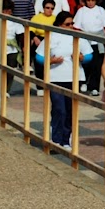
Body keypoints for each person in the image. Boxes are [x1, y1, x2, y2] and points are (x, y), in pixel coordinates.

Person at [36, 11, 80, 149]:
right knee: (59, 109)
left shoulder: (76, 36)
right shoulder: (51, 37)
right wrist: (51, 60)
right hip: (55, 78)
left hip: (72, 79)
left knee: (69, 111)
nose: (71, 26)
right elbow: (39, 57)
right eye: (67, 24)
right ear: (60, 24)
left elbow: (88, 56)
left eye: (72, 23)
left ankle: (66, 139)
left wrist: (82, 58)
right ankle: (56, 139)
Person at [74, 0, 105, 97]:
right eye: (88, 0)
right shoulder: (81, 11)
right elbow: (76, 27)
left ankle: (94, 87)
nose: (90, 2)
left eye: (92, 0)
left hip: (98, 41)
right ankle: (84, 82)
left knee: (97, 65)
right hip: (84, 41)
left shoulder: (100, 10)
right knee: (86, 64)